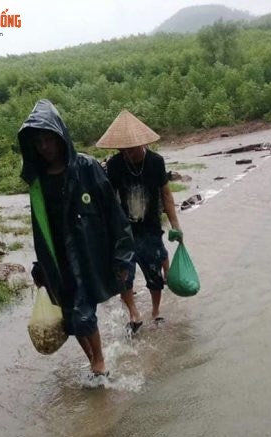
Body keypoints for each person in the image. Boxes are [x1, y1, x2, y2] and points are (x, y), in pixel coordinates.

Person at [18, 100, 134, 376]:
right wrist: (41, 265)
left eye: (49, 139)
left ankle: (100, 362)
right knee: (70, 319)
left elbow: (114, 214)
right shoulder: (39, 182)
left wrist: (122, 255)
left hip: (87, 252)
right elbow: (41, 227)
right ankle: (93, 358)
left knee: (83, 312)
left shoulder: (87, 167)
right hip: (58, 257)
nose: (45, 147)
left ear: (61, 138)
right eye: (39, 142)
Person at [97, 110, 182, 329]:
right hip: (125, 230)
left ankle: (155, 311)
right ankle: (134, 314)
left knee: (154, 274)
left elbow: (166, 194)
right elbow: (109, 199)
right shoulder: (115, 165)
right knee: (124, 275)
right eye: (123, 150)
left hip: (151, 228)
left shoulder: (156, 162)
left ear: (141, 144)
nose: (127, 153)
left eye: (131, 149)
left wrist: (175, 225)